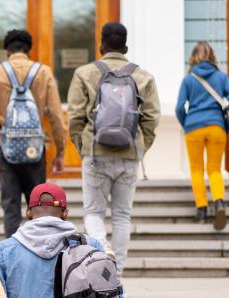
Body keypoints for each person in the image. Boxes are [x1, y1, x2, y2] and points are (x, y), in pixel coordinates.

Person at [68, 22, 160, 277]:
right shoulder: (143, 76)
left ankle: (101, 252)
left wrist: (84, 146)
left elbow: (75, 117)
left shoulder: (85, 73)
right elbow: (152, 118)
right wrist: (140, 146)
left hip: (96, 154)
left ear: (102, 45)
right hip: (129, 155)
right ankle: (116, 272)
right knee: (122, 215)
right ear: (126, 47)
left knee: (93, 211)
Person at [0, 29, 67, 238]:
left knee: (11, 207)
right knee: (41, 206)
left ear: (7, 50)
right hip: (36, 149)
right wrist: (60, 152)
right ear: (29, 50)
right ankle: (40, 251)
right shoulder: (44, 72)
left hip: (7, 148)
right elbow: (57, 116)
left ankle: (11, 254)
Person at [175, 41, 229, 230]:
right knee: (214, 169)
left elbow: (179, 107)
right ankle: (219, 203)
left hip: (193, 127)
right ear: (212, 57)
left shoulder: (188, 79)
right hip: (216, 126)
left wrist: (186, 122)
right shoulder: (220, 76)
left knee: (196, 170)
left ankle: (201, 210)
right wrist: (226, 111)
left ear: (193, 57)